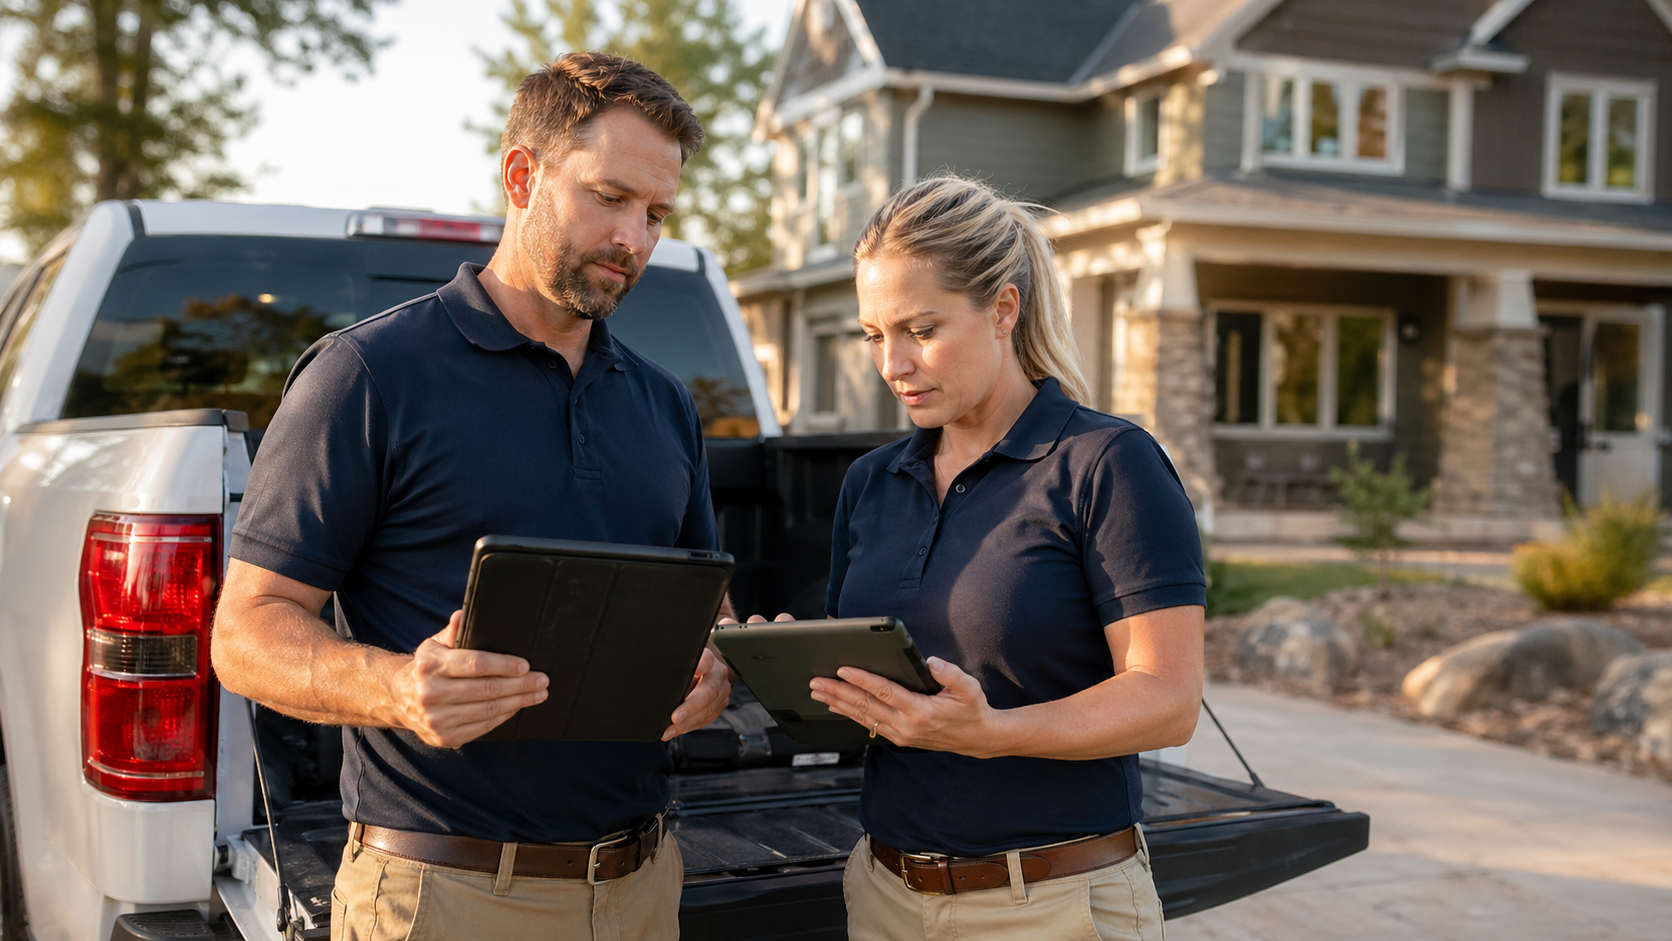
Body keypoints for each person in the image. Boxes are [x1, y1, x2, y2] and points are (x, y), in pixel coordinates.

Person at [211, 53, 730, 941]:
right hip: (443, 897)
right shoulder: (370, 374)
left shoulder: (662, 401)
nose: (635, 240)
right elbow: (245, 633)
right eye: (609, 197)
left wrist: (715, 668)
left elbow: (703, 606)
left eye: (655, 214)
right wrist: (400, 688)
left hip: (644, 887)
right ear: (522, 175)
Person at [802, 177, 1206, 940]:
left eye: (921, 328)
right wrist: (798, 670)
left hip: (1054, 904)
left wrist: (994, 731)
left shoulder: (1107, 464)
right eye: (873, 334)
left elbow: (1169, 698)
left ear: (1003, 310)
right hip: (886, 895)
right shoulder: (872, 481)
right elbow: (878, 692)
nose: (893, 363)